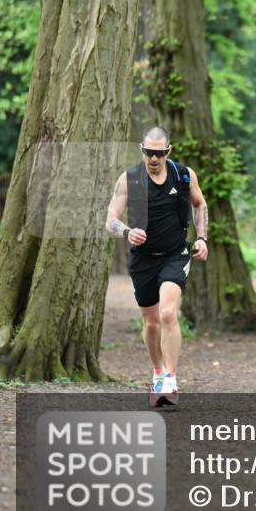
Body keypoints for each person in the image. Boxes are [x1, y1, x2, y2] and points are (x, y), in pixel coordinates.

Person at [105, 127, 209, 406]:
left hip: (176, 254)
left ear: (168, 152)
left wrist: (201, 238)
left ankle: (171, 380)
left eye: (159, 153)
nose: (154, 158)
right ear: (142, 150)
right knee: (151, 323)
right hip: (143, 259)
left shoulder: (184, 175)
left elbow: (200, 205)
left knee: (167, 313)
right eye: (149, 152)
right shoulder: (130, 179)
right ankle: (158, 371)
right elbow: (111, 218)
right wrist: (127, 232)